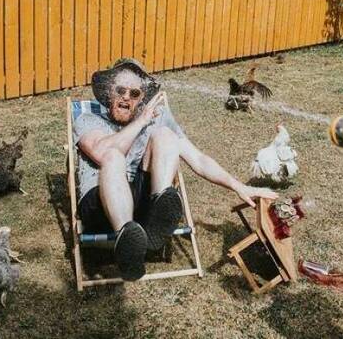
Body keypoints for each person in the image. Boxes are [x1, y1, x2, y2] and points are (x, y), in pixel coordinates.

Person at [73, 58, 277, 280]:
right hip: (100, 205)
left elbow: (198, 159)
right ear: (109, 93)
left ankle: (158, 212)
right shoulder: (88, 119)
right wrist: (140, 122)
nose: (126, 97)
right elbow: (102, 153)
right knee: (114, 156)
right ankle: (127, 242)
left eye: (134, 93)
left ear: (141, 99)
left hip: (139, 202)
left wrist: (239, 187)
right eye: (120, 90)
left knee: (166, 135)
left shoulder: (153, 120)